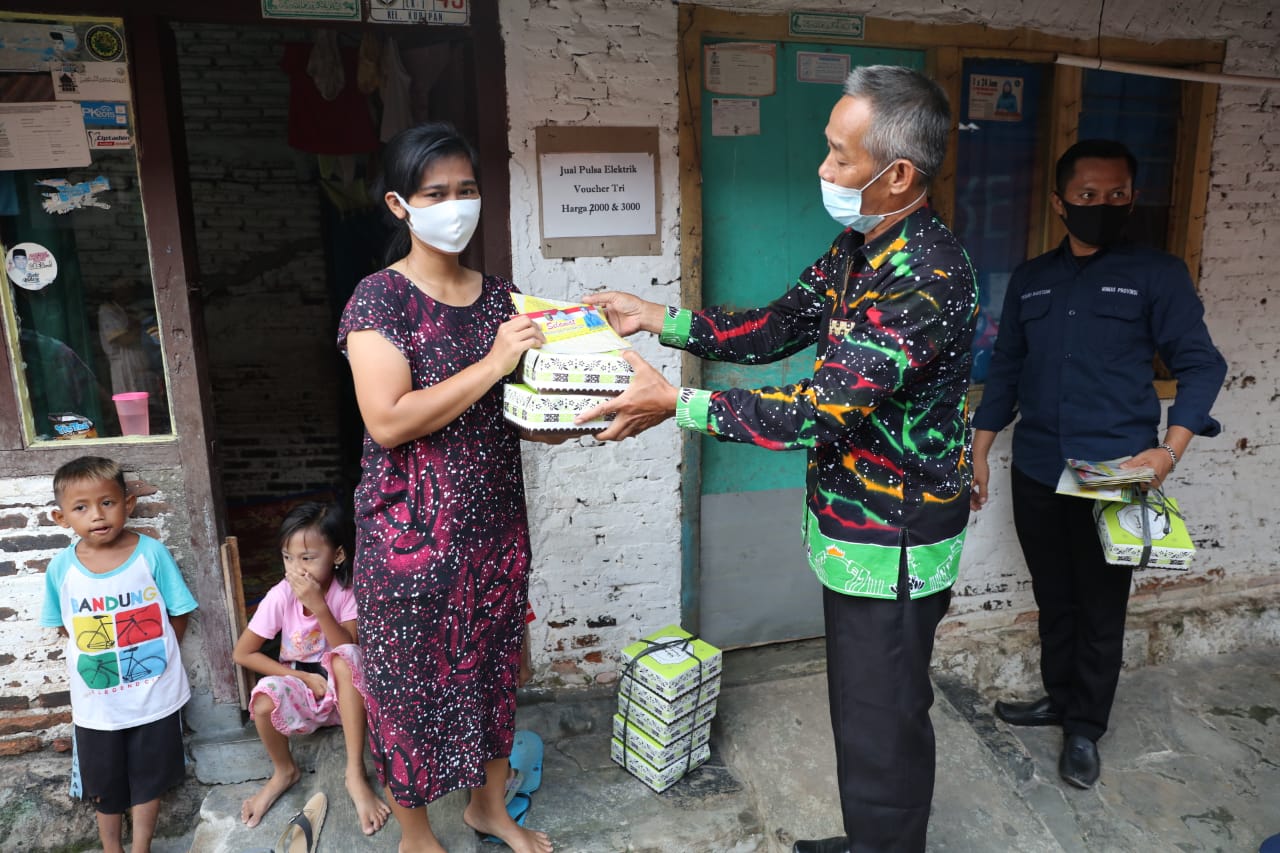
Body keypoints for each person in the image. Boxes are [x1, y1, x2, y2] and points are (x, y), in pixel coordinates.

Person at [579, 65, 977, 853]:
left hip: (891, 540)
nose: (823, 171)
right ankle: (871, 839)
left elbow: (820, 410)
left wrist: (677, 404)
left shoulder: (925, 276)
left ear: (897, 174)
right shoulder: (861, 246)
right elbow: (772, 327)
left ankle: (886, 846)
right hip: (851, 528)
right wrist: (656, 317)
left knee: (884, 721)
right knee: (862, 709)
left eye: (838, 156)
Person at [969, 139, 1227, 790]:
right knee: (1055, 597)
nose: (1103, 206)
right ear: (1060, 202)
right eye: (1088, 196)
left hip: (1114, 475)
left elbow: (1202, 365)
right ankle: (1059, 697)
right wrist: (980, 449)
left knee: (1100, 606)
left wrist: (1170, 450)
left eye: (1117, 196)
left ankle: (1085, 726)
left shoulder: (1157, 274)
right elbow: (1005, 371)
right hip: (1037, 466)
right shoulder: (1033, 279)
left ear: (1132, 199)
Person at [337, 121, 554, 853]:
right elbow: (389, 420)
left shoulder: (502, 298)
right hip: (407, 537)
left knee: (493, 672)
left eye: (467, 189)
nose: (456, 205)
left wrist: (565, 412)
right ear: (400, 205)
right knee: (409, 689)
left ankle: (488, 807)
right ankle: (416, 830)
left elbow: (518, 408)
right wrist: (495, 364)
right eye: (437, 193)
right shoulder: (379, 300)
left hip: (493, 526)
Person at [39, 456, 198, 853]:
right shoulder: (61, 569)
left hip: (153, 695)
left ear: (128, 504)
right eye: (81, 507)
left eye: (107, 502)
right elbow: (66, 626)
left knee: (150, 777)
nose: (97, 515)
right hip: (99, 704)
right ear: (61, 518)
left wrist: (155, 656)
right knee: (104, 783)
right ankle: (112, 848)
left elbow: (178, 613)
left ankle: (141, 846)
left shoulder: (151, 554)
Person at [231, 501, 390, 835]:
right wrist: (301, 677)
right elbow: (243, 653)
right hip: (306, 689)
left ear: (338, 555)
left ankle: (354, 774)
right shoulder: (281, 595)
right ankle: (284, 770)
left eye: (308, 558)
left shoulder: (347, 592)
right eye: (288, 558)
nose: (296, 569)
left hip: (348, 693)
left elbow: (347, 645)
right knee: (262, 701)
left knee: (345, 659)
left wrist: (319, 605)